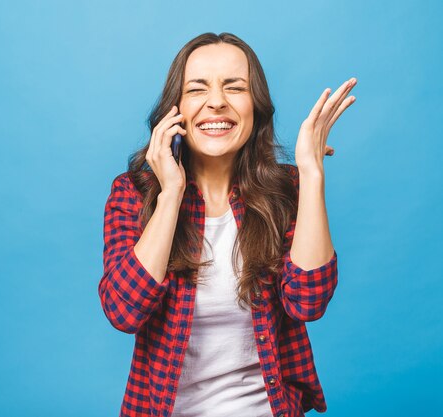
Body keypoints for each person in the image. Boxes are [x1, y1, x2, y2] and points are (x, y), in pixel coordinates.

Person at [97, 32, 356, 417]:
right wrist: (170, 193)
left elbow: (308, 301)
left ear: (256, 106)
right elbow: (124, 310)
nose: (216, 102)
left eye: (235, 88)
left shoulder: (287, 188)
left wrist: (311, 172)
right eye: (197, 89)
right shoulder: (132, 193)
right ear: (175, 109)